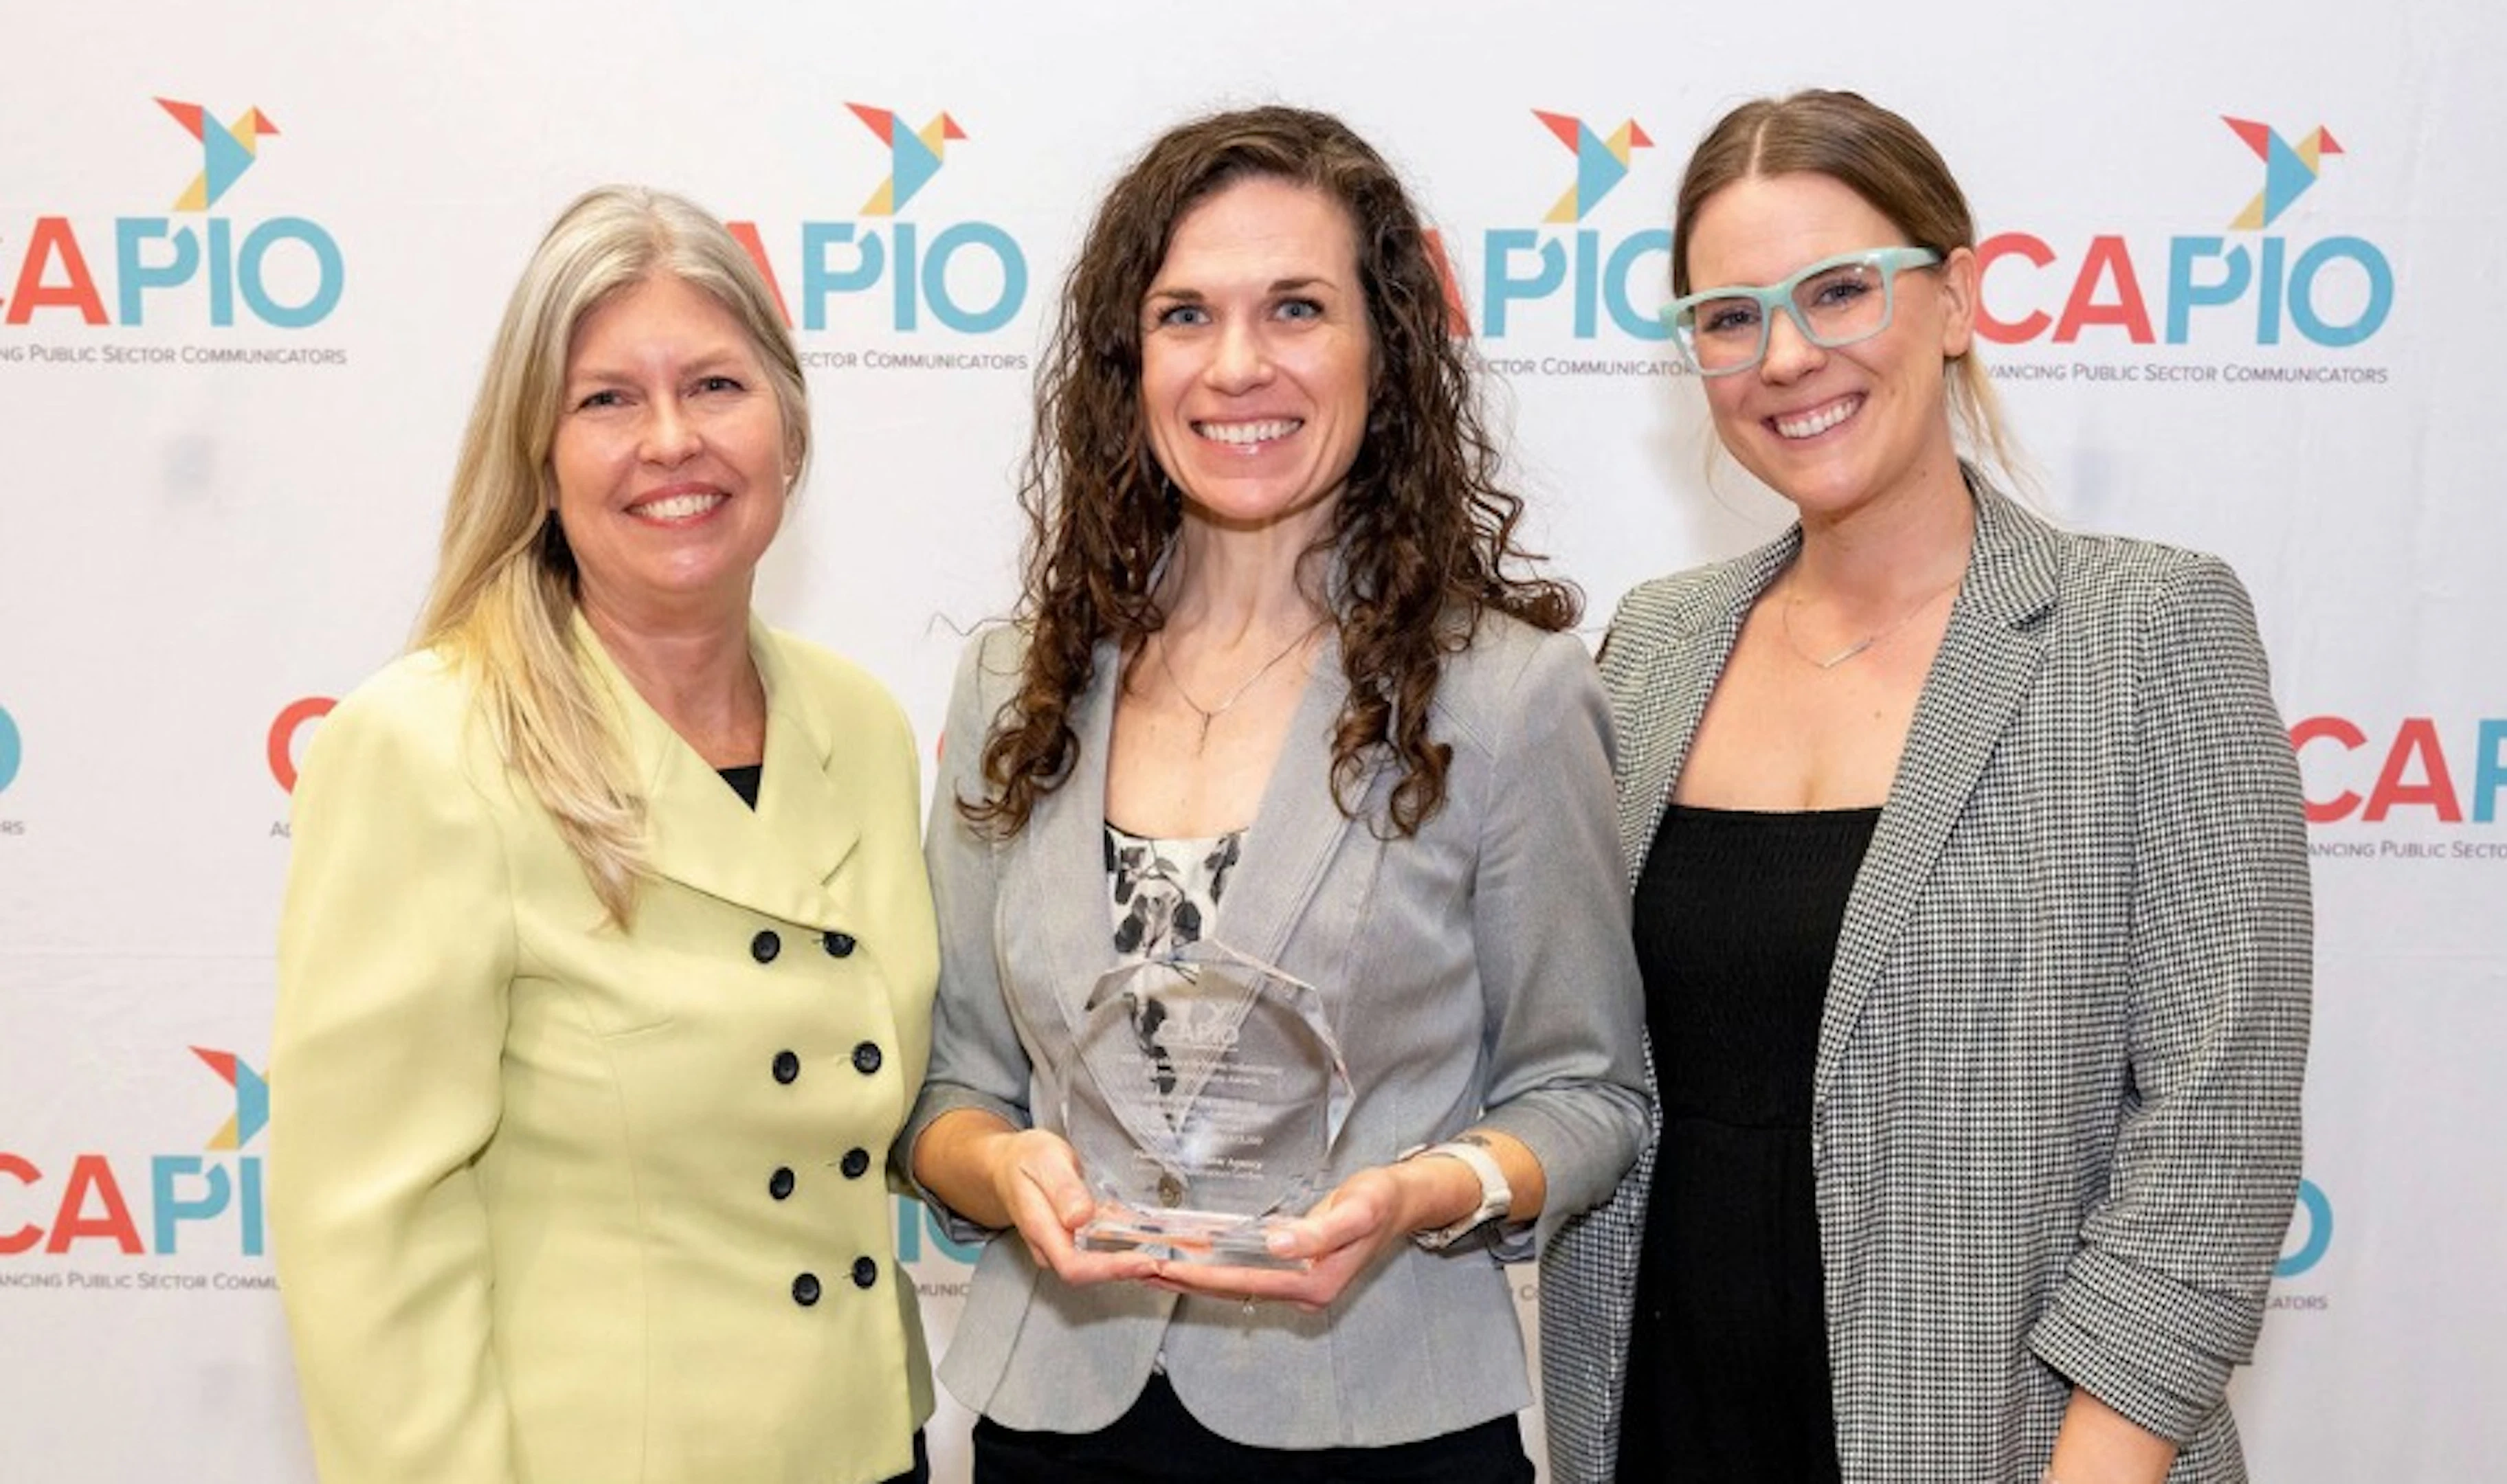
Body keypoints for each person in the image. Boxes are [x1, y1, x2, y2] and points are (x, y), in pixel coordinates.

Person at [1537, 90, 2313, 1484]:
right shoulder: (1650, 644)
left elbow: (2217, 1135)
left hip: (2011, 1451)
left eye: (1840, 291)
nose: (1785, 357)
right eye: (1730, 316)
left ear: (1956, 297)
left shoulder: (2145, 632)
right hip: (1660, 1429)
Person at [898, 105, 1649, 1482]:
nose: (1237, 365)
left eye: (1296, 308)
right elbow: (954, 1088)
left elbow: (1589, 1095)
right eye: (1186, 315)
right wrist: (1004, 1175)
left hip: (1387, 1431)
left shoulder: (1509, 697)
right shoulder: (1016, 688)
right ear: (1133, 365)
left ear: (1387, 351)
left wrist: (1430, 1191)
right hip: (1058, 1426)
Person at [269, 186, 937, 1483]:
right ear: (539, 452)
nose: (672, 441)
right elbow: (365, 1237)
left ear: (789, 427)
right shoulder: (426, 747)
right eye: (608, 401)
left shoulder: (859, 724)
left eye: (717, 386)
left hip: (870, 1444)